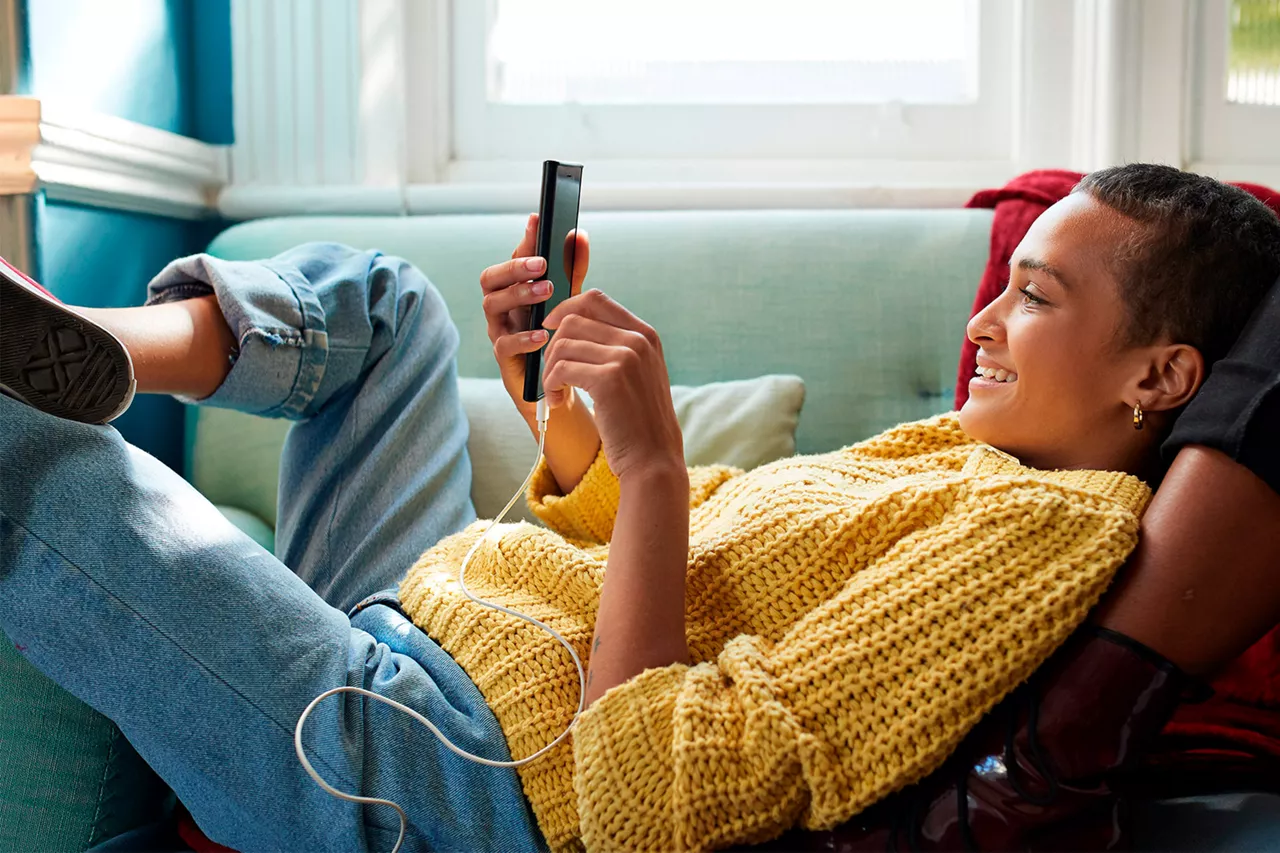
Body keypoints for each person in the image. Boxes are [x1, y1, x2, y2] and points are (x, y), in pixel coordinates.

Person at [0, 163, 1277, 853]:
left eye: (1037, 297)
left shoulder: (1048, 532)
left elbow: (651, 809)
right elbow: (629, 553)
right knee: (390, 300)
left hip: (434, 774)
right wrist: (564, 413)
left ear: (1160, 376)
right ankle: (90, 341)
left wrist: (656, 470)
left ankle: (36, 381)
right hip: (426, 628)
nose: (981, 321)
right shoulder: (954, 453)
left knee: (31, 451)